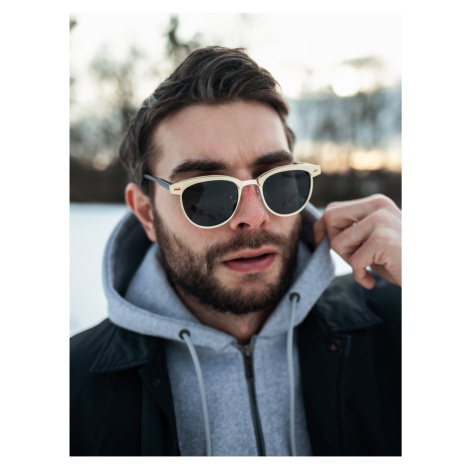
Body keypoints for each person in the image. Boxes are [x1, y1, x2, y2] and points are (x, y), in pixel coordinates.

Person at [70, 46, 402, 456]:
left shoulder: (396, 322)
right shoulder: (73, 391)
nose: (254, 217)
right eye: (206, 192)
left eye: (276, 181)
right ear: (146, 213)